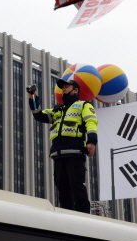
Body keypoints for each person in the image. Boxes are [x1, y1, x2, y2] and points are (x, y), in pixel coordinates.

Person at [27, 79, 97, 214]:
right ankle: (67, 217)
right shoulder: (58, 109)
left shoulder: (84, 106)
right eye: (62, 87)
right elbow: (39, 115)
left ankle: (84, 217)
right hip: (58, 154)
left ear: (75, 90)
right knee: (62, 188)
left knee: (77, 186)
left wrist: (92, 141)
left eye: (66, 87)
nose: (63, 89)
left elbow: (91, 122)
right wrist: (33, 98)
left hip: (75, 152)